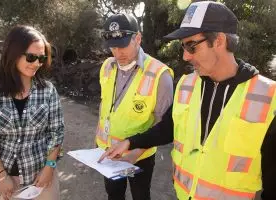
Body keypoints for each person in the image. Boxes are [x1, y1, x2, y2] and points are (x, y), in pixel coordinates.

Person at [99, 1, 276, 200]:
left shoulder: (268, 98)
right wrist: (131, 142)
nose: (185, 56)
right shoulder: (187, 85)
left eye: (191, 46)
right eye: (183, 47)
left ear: (219, 40)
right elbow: (168, 127)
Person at [0, 25, 64, 200]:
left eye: (41, 58)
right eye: (31, 57)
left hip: (42, 177)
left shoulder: (47, 90)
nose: (37, 64)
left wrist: (50, 166)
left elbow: (56, 132)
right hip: (8, 180)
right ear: (13, 53)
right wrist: (1, 176)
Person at [96, 13, 174, 200]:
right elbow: (104, 103)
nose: (117, 52)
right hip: (107, 152)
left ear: (137, 38)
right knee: (114, 195)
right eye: (112, 47)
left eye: (123, 45)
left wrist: (136, 153)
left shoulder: (160, 75)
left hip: (140, 156)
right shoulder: (107, 66)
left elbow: (163, 124)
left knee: (140, 195)